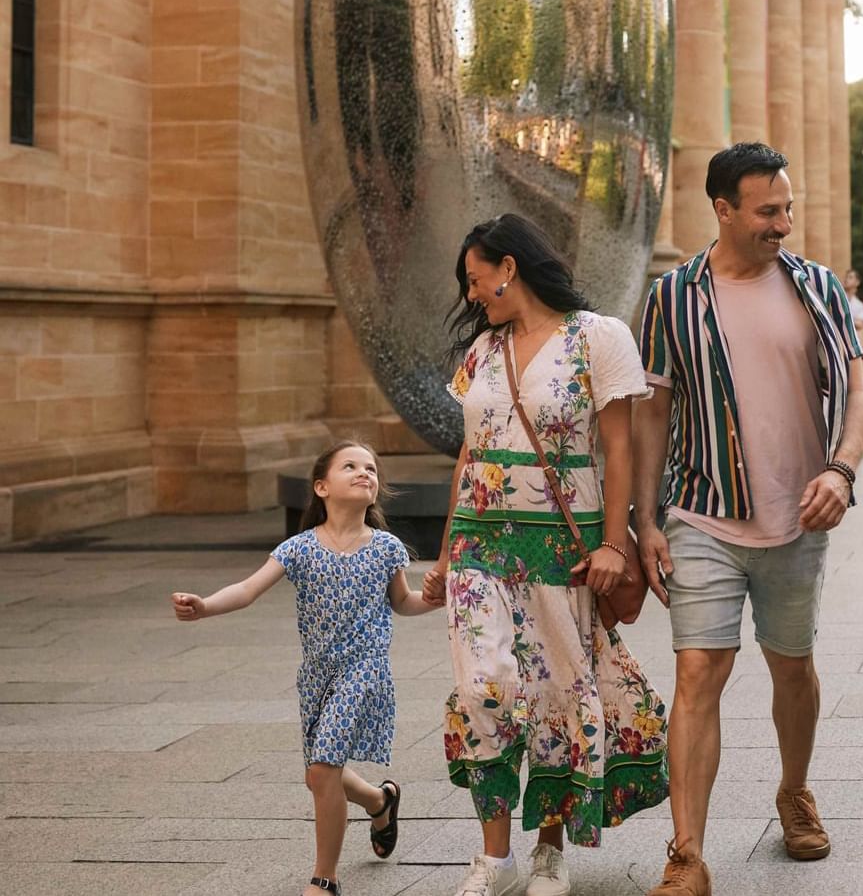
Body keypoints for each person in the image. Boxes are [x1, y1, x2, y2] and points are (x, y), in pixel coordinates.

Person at [633, 142, 863, 896]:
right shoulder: (672, 298)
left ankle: (794, 790)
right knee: (699, 670)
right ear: (724, 208)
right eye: (768, 210)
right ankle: (687, 854)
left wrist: (841, 468)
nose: (784, 223)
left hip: (799, 516)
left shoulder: (819, 288)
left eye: (788, 208)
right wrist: (643, 523)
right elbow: (652, 414)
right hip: (702, 512)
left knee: (791, 665)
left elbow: (856, 394)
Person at [422, 213, 669, 896]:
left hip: (562, 545)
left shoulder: (599, 338)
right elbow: (469, 455)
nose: (473, 295)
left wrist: (614, 542)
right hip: (481, 541)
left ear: (510, 266)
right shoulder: (479, 355)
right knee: (484, 692)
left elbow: (618, 445)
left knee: (557, 694)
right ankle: (493, 857)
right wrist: (445, 553)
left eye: (478, 280)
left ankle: (549, 852)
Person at [171, 442, 434, 896]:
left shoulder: (387, 548)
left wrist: (439, 598)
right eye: (349, 466)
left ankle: (324, 878)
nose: (363, 473)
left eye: (370, 468)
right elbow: (249, 589)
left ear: (375, 490)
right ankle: (380, 800)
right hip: (317, 673)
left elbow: (403, 603)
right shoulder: (299, 548)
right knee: (318, 774)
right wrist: (205, 606)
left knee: (326, 761)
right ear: (321, 486)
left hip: (364, 668)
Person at [843, 269, 863, 350]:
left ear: (857, 282)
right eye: (846, 277)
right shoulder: (837, 299)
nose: (846, 279)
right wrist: (853, 319)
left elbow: (860, 324)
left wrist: (844, 317)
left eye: (850, 277)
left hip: (851, 346)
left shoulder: (859, 305)